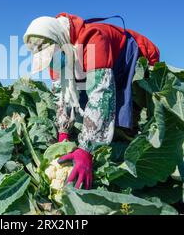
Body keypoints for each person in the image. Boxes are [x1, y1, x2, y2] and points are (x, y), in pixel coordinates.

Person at [24, 12, 160, 190]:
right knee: (91, 111)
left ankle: (142, 156)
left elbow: (101, 95)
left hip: (134, 58)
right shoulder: (57, 60)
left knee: (128, 121)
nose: (52, 62)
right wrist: (63, 133)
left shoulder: (92, 38)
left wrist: (86, 150)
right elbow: (62, 96)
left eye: (52, 56)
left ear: (60, 41)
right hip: (102, 66)